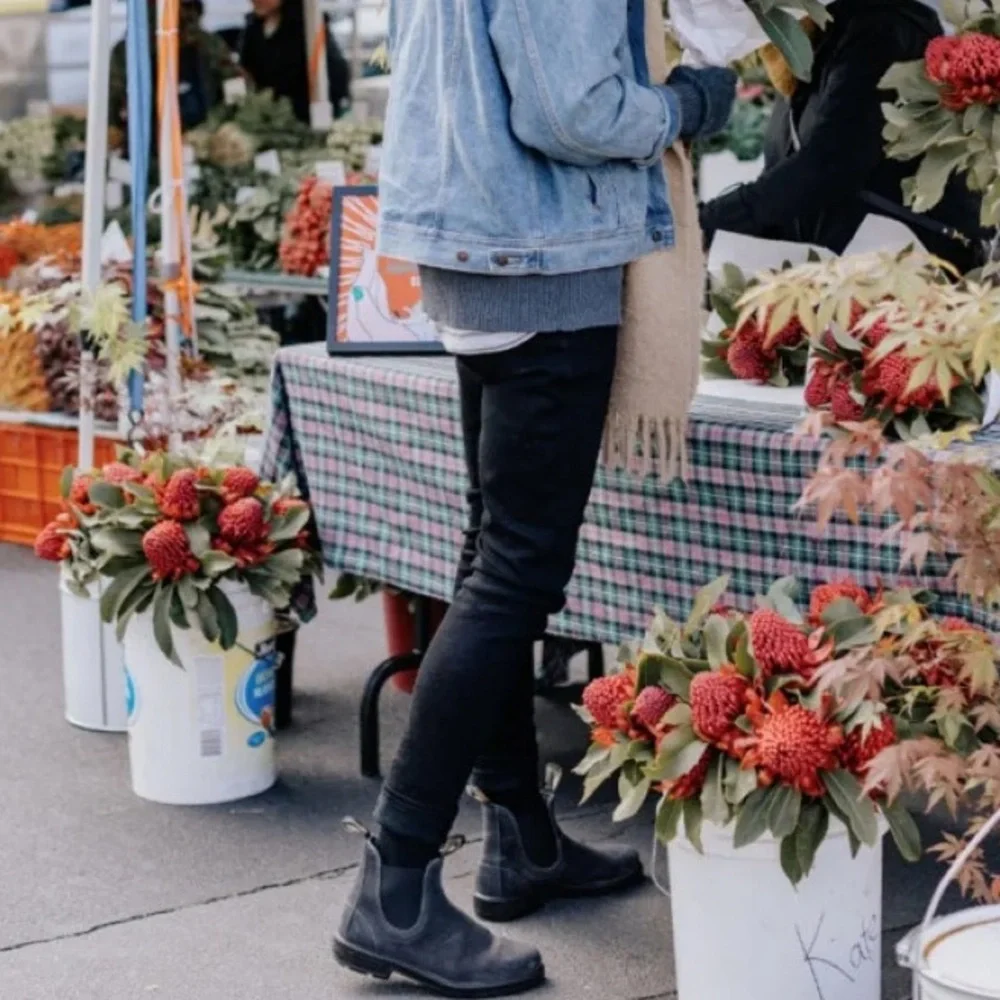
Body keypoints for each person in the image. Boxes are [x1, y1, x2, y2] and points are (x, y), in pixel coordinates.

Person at [332, 0, 736, 995]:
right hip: (540, 256)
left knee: (491, 557)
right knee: (513, 572)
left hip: (478, 245)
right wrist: (689, 101)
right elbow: (573, 111)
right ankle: (394, 888)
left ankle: (519, 834)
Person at [699, 0, 986, 270]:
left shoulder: (886, 28)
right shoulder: (810, 49)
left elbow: (830, 165)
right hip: (839, 284)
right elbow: (783, 190)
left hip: (906, 283)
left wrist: (703, 223)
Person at [108, 0, 239, 138]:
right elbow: (114, 95)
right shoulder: (130, 50)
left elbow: (236, 90)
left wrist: (212, 126)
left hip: (202, 133)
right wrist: (114, 126)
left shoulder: (209, 46)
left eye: (187, 7)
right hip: (146, 136)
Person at [239, 0, 351, 124]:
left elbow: (336, 77)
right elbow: (246, 70)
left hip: (302, 120)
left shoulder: (308, 24)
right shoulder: (253, 27)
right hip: (265, 119)